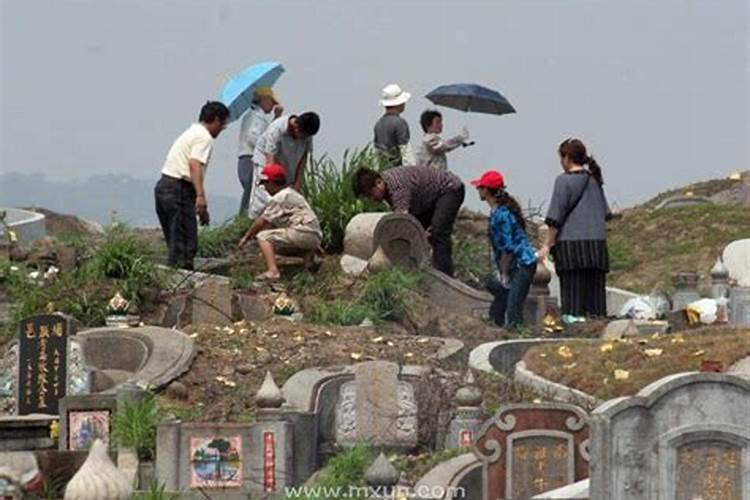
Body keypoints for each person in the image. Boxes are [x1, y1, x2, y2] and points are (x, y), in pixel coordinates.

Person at [538, 138, 612, 317]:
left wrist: (547, 244)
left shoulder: (563, 181)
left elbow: (555, 218)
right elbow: (606, 214)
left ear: (567, 158)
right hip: (597, 247)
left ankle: (574, 332)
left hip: (571, 248)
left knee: (573, 304)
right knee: (596, 302)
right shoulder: (594, 180)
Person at [154, 101, 229, 270]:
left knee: (176, 241)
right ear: (216, 120)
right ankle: (181, 285)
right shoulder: (204, 137)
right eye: (223, 124)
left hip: (165, 186)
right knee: (185, 246)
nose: (222, 129)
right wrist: (201, 196)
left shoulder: (191, 132)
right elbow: (194, 164)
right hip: (178, 189)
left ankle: (174, 276)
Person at [353, 165, 465, 276]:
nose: (371, 199)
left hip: (449, 189)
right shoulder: (386, 186)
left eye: (370, 195)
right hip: (426, 198)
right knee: (418, 233)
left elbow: (402, 223)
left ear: (379, 183)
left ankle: (444, 274)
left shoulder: (397, 187)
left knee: (438, 231)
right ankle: (421, 268)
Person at [471, 170, 537, 328]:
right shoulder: (497, 212)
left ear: (486, 190)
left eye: (480, 187)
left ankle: (517, 333)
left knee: (514, 308)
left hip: (522, 264)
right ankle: (497, 326)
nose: (478, 190)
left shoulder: (502, 215)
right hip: (515, 264)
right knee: (501, 299)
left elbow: (508, 248)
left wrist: (504, 273)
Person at [238, 164, 323, 280]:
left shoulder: (280, 197)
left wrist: (246, 237)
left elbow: (262, 221)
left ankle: (273, 271)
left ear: (273, 183)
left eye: (266, 184)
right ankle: (308, 260)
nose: (265, 188)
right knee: (276, 246)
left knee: (263, 237)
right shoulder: (291, 193)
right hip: (314, 236)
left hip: (302, 232)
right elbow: (272, 222)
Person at [248, 112, 320, 217]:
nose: (304, 139)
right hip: (266, 162)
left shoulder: (307, 135)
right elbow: (270, 160)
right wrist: (273, 184)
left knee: (287, 198)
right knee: (265, 197)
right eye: (303, 136)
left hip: (288, 164)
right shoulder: (276, 129)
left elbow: (304, 158)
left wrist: (297, 184)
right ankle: (255, 221)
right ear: (296, 127)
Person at [236, 87, 283, 215]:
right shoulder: (256, 116)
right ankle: (244, 216)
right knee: (251, 189)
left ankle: (246, 215)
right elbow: (254, 137)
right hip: (250, 158)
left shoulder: (256, 116)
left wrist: (277, 117)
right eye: (271, 102)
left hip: (247, 158)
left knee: (253, 190)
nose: (272, 106)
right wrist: (266, 149)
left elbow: (267, 134)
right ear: (264, 101)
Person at [373, 83, 415, 167]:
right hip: (398, 171)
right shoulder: (400, 123)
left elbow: (377, 152)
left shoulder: (378, 124)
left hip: (384, 170)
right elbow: (405, 151)